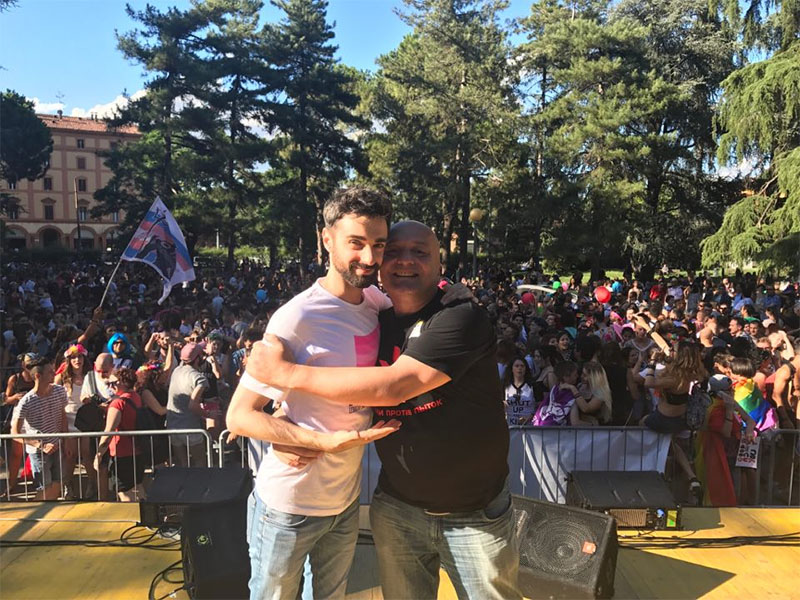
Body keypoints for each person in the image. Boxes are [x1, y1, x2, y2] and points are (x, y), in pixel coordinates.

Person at [243, 220, 520, 600]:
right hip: (397, 509)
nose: (405, 260)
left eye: (420, 252)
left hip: (475, 513)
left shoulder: (460, 315)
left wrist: (285, 374)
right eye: (393, 251)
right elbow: (331, 374)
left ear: (440, 263)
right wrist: (285, 420)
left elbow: (393, 387)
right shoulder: (372, 313)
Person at [226, 187, 400, 600]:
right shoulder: (296, 317)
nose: (370, 258)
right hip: (288, 506)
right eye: (356, 243)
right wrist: (317, 441)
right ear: (327, 240)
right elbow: (239, 416)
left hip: (344, 503)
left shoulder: (376, 302)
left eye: (378, 245)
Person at [10, 356, 70, 501]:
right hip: (38, 452)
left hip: (57, 445)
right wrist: (40, 445)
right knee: (44, 488)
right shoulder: (26, 401)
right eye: (50, 372)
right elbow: (15, 432)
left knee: (57, 484)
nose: (54, 374)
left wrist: (66, 441)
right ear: (38, 376)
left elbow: (63, 417)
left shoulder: (59, 391)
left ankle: (51, 510)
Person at [93, 367, 146, 501]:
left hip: (122, 453)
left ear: (123, 382)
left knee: (124, 492)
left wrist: (99, 454)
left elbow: (108, 432)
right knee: (138, 487)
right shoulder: (136, 397)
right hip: (137, 450)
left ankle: (133, 513)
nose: (110, 387)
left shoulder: (117, 404)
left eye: (113, 383)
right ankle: (148, 512)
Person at [166, 342, 211, 467]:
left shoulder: (176, 371)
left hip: (172, 426)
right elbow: (192, 405)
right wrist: (208, 414)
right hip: (191, 428)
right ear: (197, 358)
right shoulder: (199, 378)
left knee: (182, 464)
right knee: (200, 462)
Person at [503, 357, 536, 426]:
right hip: (510, 427)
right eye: (517, 366)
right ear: (511, 369)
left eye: (522, 366)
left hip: (529, 427)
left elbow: (540, 407)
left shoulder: (533, 386)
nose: (519, 368)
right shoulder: (505, 386)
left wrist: (529, 417)